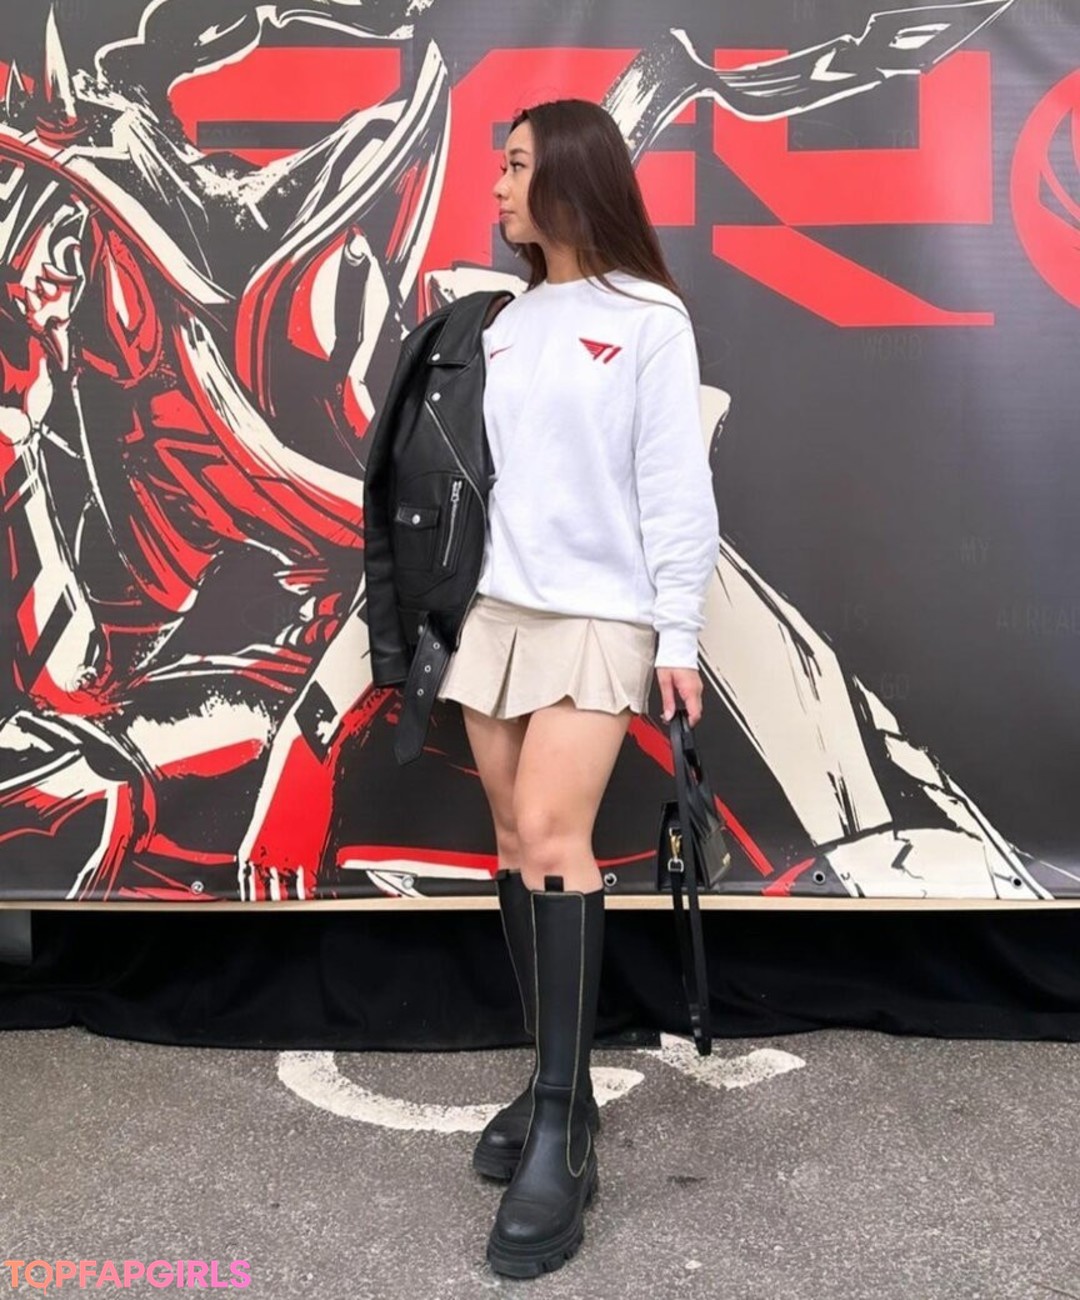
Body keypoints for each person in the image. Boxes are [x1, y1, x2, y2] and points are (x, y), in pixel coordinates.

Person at [434, 98, 720, 1278]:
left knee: (557, 837)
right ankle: (557, 1084)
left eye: (514, 166)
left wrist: (678, 633)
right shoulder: (505, 322)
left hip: (601, 613)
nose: (498, 186)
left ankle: (561, 1125)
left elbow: (674, 484)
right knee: (513, 839)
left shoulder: (649, 316)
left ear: (569, 175)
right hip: (500, 611)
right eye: (500, 166)